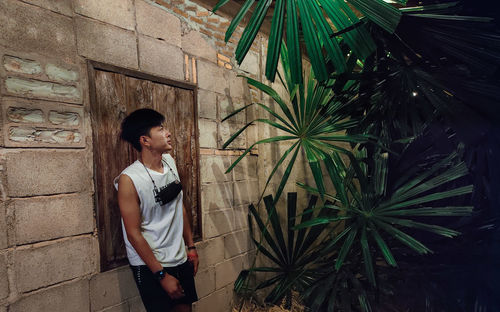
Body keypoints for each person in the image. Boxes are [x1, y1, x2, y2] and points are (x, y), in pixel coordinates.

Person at [114, 108, 199, 312]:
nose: (168, 132)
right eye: (161, 129)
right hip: (151, 263)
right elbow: (133, 234)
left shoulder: (169, 162)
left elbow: (179, 207)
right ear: (145, 140)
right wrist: (160, 275)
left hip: (178, 256)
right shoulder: (129, 180)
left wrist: (191, 247)